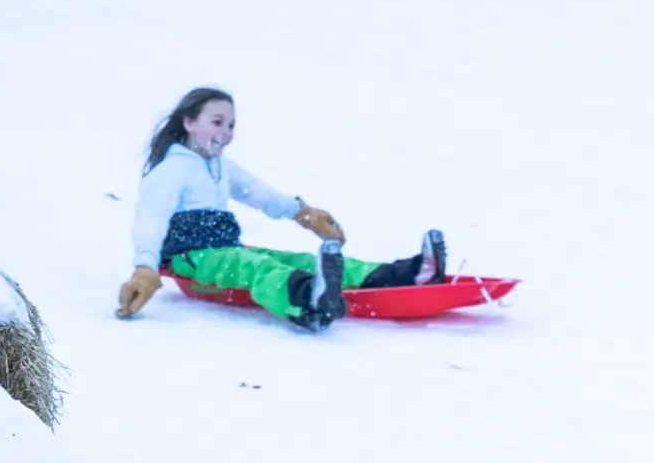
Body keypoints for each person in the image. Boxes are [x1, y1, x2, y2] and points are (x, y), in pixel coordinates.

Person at [116, 87, 446, 332]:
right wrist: (145, 267)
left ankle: (404, 274)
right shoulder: (170, 170)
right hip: (191, 262)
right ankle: (306, 300)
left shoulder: (221, 167)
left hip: (223, 253)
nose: (226, 133)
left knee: (296, 260)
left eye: (231, 125)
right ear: (188, 122)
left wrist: (304, 214)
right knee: (256, 267)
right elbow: (151, 218)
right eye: (217, 122)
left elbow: (260, 194)